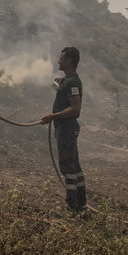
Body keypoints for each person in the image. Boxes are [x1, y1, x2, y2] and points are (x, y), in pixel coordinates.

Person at [40, 47, 86, 216]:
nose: (58, 61)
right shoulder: (68, 81)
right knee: (75, 167)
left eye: (61, 59)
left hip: (66, 129)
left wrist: (53, 116)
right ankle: (81, 207)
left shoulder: (72, 82)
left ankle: (71, 209)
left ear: (68, 62)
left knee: (68, 168)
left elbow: (75, 109)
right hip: (66, 128)